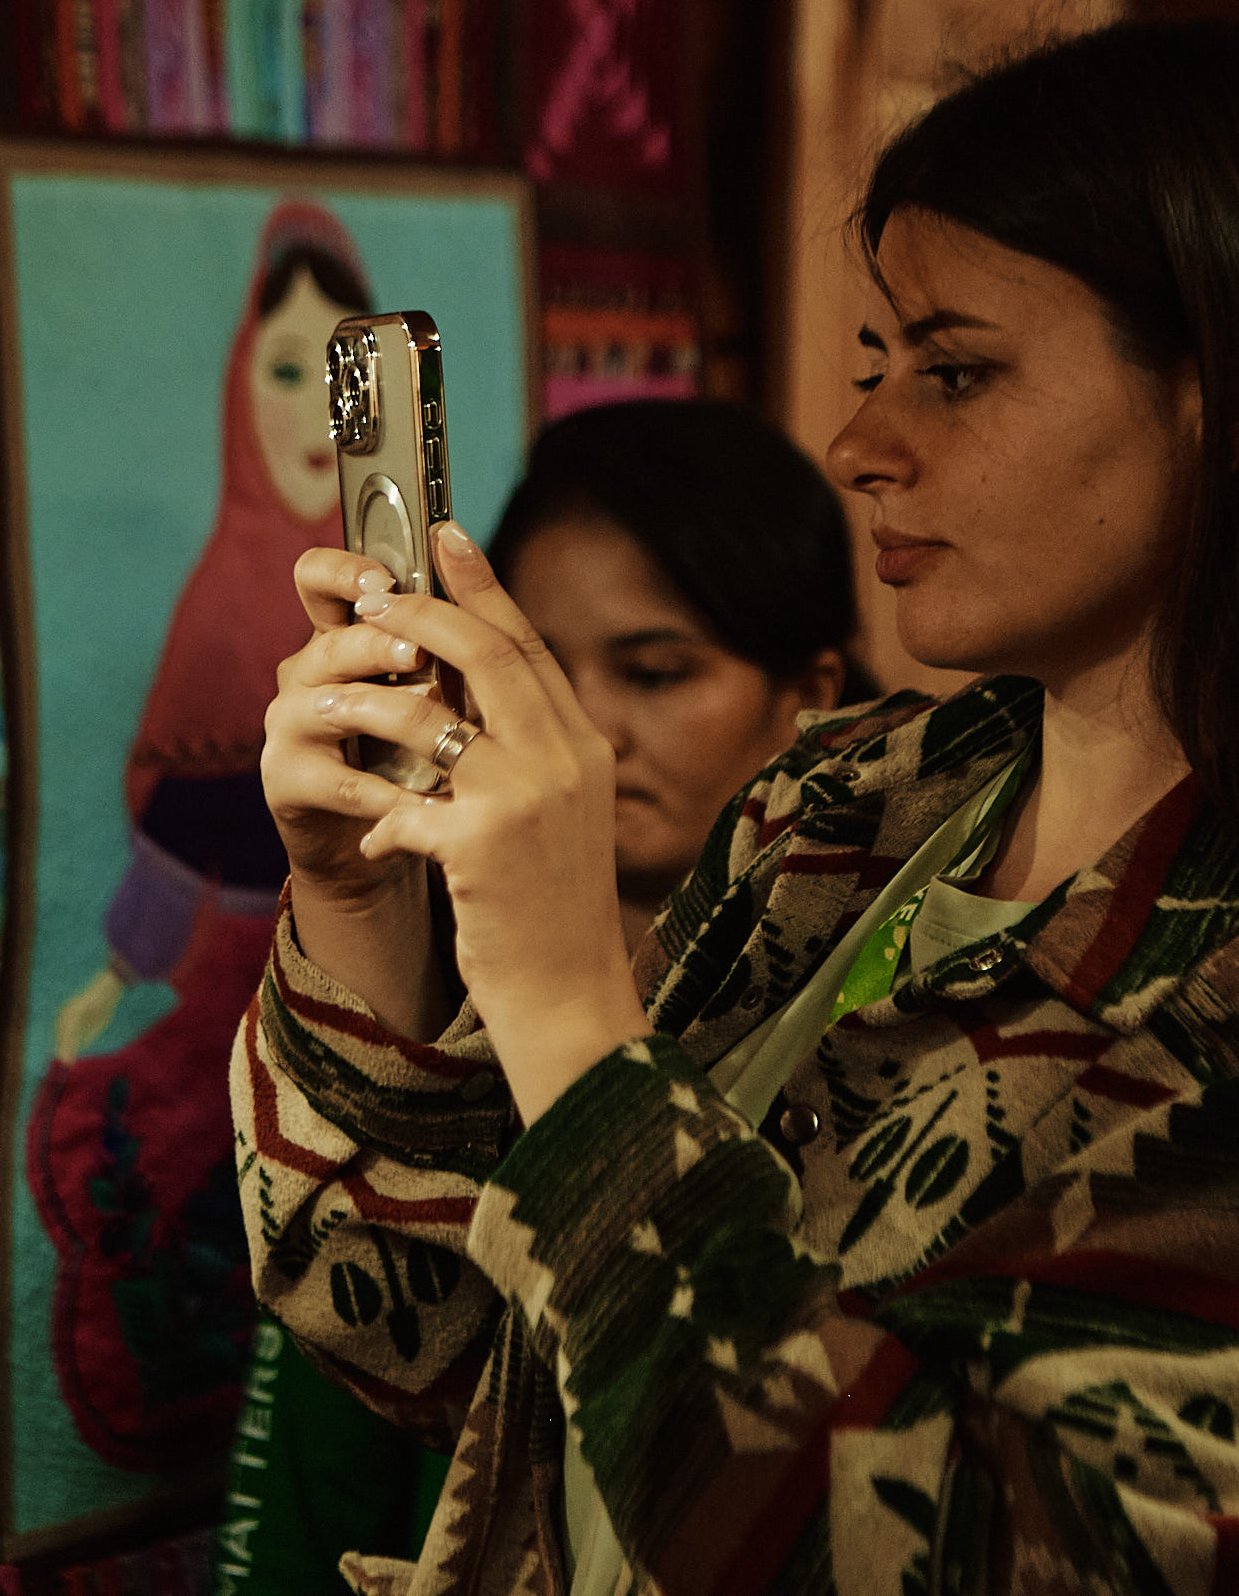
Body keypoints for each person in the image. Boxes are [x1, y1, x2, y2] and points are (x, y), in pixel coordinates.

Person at [240, 21, 1239, 1596]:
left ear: (1232, 396)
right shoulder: (839, 810)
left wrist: (574, 1011)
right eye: (874, 367)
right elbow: (453, 1336)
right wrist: (359, 891)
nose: (861, 446)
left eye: (956, 372)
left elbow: (936, 1554)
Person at [219, 399, 873, 1593]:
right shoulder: (411, 998)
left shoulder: (865, 1014)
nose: (584, 731)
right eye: (537, 672)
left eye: (656, 671)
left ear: (810, 691)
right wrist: (351, 893)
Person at [27, 199, 370, 1467]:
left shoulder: (416, 595)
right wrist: (119, 970)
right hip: (234, 980)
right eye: (285, 372)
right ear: (239, 390)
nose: (315, 412)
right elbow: (183, 821)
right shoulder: (221, 600)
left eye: (344, 375)